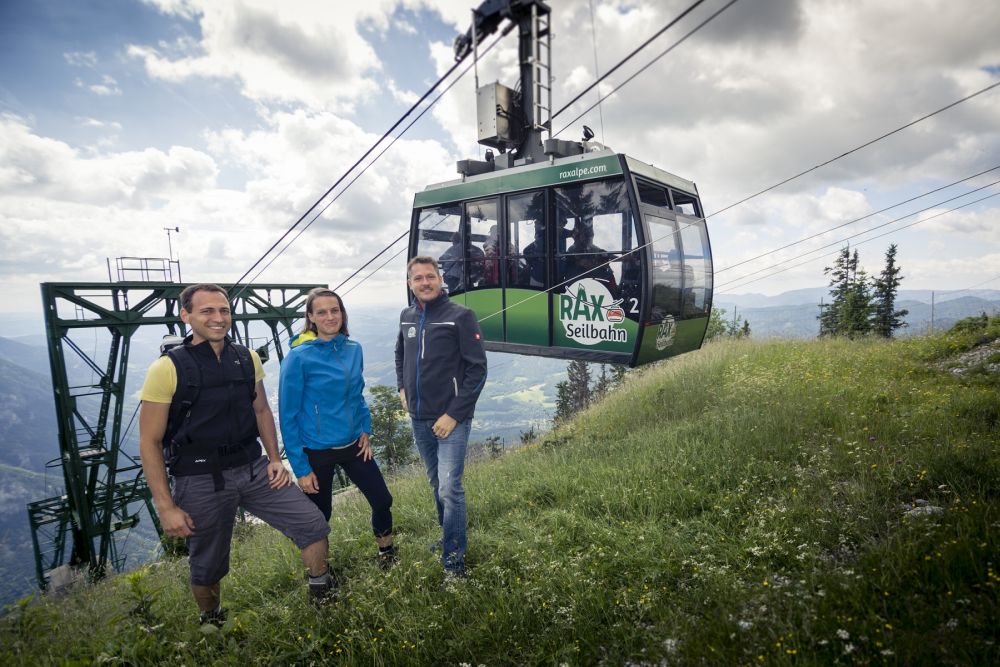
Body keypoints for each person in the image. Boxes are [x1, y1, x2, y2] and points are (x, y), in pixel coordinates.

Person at [139, 284, 334, 627]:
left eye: (224, 310)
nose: (218, 318)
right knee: (208, 561)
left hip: (254, 467)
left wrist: (275, 458)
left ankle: (322, 593)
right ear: (186, 316)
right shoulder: (167, 369)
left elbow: (261, 410)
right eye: (207, 311)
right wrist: (166, 506)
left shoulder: (246, 358)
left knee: (313, 525)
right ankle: (211, 621)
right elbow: (150, 442)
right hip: (199, 477)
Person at [278, 288, 396, 568]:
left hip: (354, 444)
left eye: (335, 310)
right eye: (322, 312)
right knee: (320, 516)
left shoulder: (354, 349)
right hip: (316, 450)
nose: (330, 316)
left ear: (342, 313)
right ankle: (321, 573)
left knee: (382, 499)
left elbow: (357, 394)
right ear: (310, 317)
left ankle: (387, 556)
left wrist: (365, 428)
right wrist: (301, 468)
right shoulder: (298, 358)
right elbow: (288, 415)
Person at [395, 257, 487, 579]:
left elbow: (477, 370)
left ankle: (454, 563)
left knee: (450, 487)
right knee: (436, 485)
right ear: (410, 284)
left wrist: (453, 414)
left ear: (440, 279)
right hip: (419, 417)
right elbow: (400, 354)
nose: (424, 282)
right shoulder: (407, 316)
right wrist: (401, 388)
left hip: (451, 419)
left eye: (429, 276)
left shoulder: (460, 316)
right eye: (417, 278)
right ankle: (449, 537)